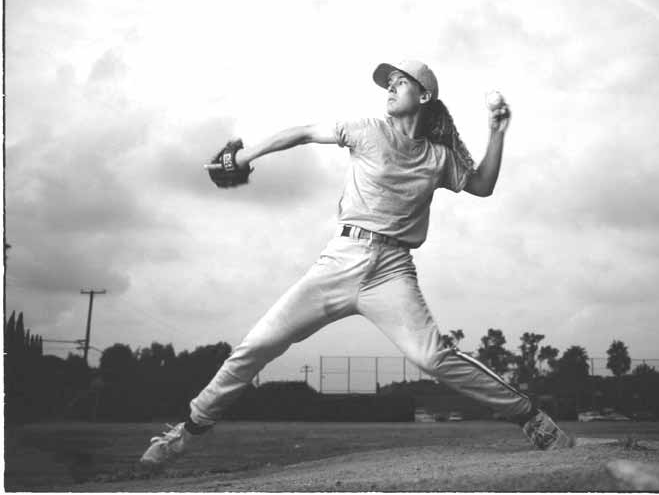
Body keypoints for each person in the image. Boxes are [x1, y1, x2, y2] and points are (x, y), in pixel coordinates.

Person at [140, 60, 574, 466]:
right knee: (257, 345)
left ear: (423, 96)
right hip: (340, 260)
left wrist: (496, 131)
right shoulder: (367, 129)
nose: (390, 87)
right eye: (388, 82)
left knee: (432, 358)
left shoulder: (438, 157)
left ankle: (530, 417)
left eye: (400, 81)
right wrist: (244, 155)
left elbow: (481, 185)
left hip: (392, 270)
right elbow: (305, 132)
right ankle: (187, 431)